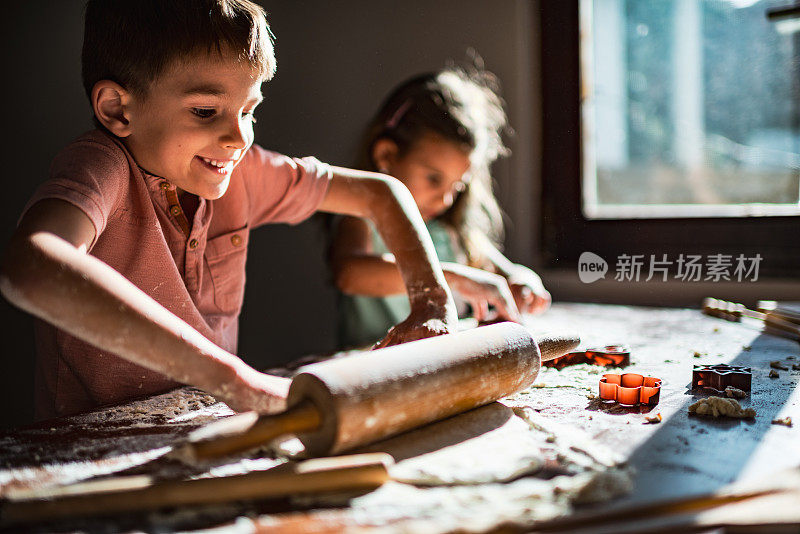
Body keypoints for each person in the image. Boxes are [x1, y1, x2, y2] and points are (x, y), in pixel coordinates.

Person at [0, 0, 459, 420]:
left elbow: (381, 193)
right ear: (119, 109)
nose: (238, 138)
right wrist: (233, 379)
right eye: (205, 111)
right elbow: (32, 265)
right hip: (93, 445)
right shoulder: (103, 167)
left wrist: (432, 304)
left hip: (207, 422)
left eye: (249, 110)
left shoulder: (245, 172)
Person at [330, 63, 551, 348]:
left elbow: (505, 272)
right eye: (434, 179)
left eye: (457, 187)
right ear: (386, 155)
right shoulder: (360, 216)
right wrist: (450, 277)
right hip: (373, 367)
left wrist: (522, 281)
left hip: (441, 364)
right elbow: (349, 274)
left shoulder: (447, 228)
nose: (446, 199)